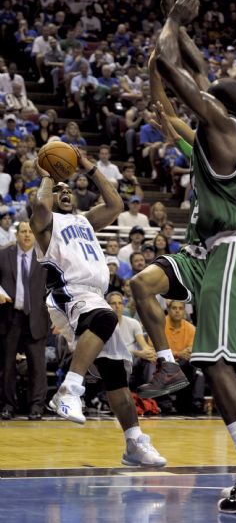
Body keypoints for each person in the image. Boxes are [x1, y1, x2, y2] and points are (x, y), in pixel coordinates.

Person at [131, 0, 236, 514]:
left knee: (217, 362)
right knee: (231, 361)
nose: (198, 103)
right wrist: (180, 28)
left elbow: (179, 79)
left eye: (205, 101)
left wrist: (170, 28)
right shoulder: (231, 132)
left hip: (233, 250)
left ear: (213, 108)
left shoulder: (221, 125)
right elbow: (193, 78)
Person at [30, 149, 165, 467]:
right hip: (68, 294)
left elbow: (116, 204)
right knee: (106, 317)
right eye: (58, 191)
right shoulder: (46, 225)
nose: (64, 193)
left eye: (68, 189)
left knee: (116, 375)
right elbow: (39, 205)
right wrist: (49, 175)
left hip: (95, 296)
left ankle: (134, 442)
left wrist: (88, 167)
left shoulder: (86, 222)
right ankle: (68, 389)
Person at [0, 221, 48, 420]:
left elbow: (55, 288)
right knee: (7, 364)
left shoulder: (45, 258)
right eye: (23, 231)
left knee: (38, 365)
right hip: (9, 316)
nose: (27, 235)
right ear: (16, 234)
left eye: (30, 231)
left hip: (36, 317)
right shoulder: (3, 254)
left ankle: (36, 406)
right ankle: (8, 405)